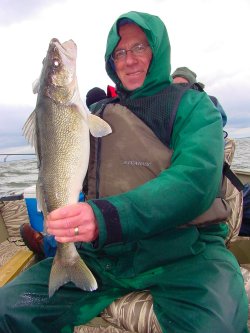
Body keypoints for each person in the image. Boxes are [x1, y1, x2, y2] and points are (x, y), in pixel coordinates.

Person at [0, 11, 248, 333]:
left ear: (157, 51)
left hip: (184, 251)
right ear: (110, 61)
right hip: (105, 255)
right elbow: (63, 161)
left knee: (219, 326)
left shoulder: (193, 107)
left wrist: (103, 218)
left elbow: (194, 181)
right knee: (8, 310)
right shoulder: (96, 115)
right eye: (120, 52)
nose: (129, 60)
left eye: (140, 48)